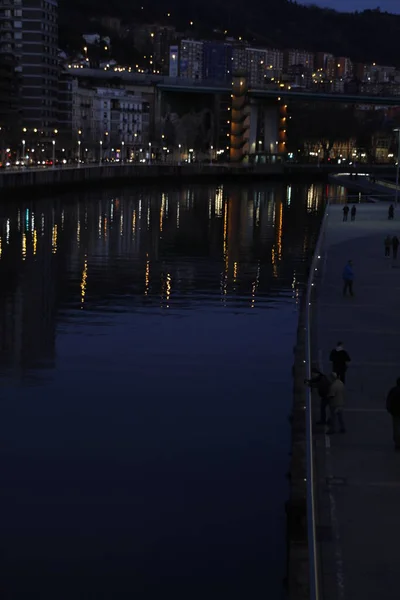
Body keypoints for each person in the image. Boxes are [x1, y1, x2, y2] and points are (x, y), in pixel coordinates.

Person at [386, 378, 400, 450]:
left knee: (396, 428)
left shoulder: (393, 390)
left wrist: (389, 408)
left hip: (395, 412)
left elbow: (389, 399)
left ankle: (397, 443)